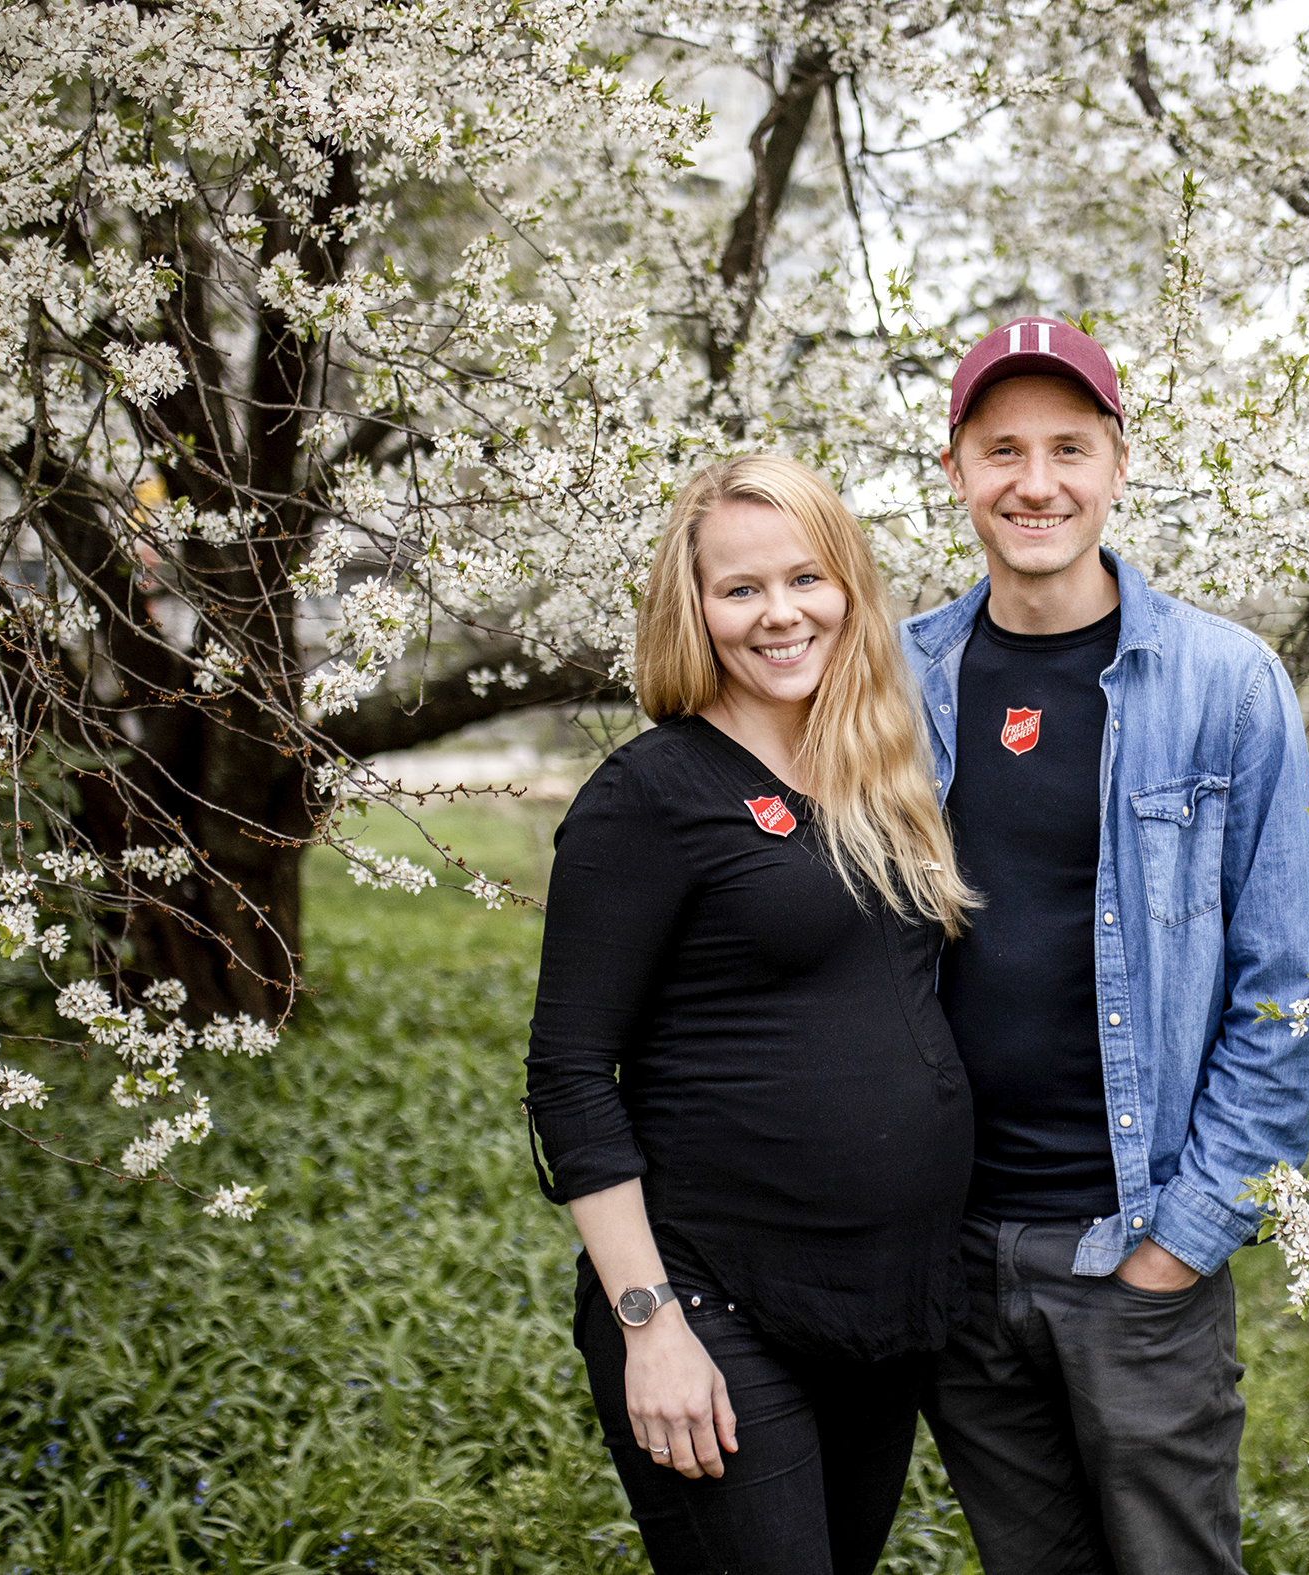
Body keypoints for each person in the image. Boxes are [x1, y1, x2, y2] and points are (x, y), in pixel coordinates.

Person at [902, 318, 1309, 1573]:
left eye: (1068, 448)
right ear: (956, 472)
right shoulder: (893, 679)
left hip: (1133, 1239)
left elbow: (1285, 992)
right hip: (954, 1249)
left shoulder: (1227, 683)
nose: (1035, 483)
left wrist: (1184, 1237)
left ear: (1118, 463)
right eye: (1002, 451)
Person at [526, 455, 979, 1574]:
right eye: (740, 590)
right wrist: (650, 1322)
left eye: (806, 578)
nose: (780, 614)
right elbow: (570, 1072)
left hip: (883, 1306)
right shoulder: (651, 795)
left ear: (849, 590)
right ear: (697, 609)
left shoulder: (881, 772)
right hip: (714, 1301)